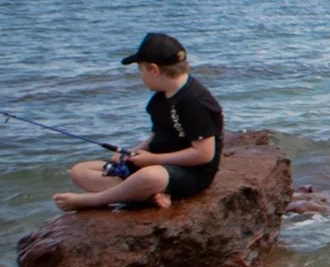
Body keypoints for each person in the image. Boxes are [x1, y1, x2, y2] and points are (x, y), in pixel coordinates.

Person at [54, 33, 225, 211]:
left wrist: (153, 159)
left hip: (190, 172)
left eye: (140, 71)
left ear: (154, 70)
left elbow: (204, 154)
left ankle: (93, 200)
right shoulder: (161, 96)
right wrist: (136, 151)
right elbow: (158, 134)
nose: (140, 77)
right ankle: (145, 195)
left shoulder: (195, 101)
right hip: (157, 163)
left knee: (150, 177)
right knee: (80, 171)